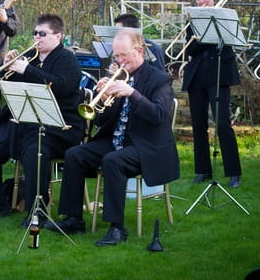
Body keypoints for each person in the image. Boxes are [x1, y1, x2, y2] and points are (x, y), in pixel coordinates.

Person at [46, 29, 179, 246]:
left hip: (145, 145)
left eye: (123, 55)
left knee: (112, 161)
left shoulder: (160, 79)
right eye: (116, 56)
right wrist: (104, 99)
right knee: (74, 154)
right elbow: (100, 122)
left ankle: (116, 228)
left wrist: (132, 94)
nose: (118, 61)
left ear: (140, 50)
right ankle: (73, 219)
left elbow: (160, 115)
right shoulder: (118, 77)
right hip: (116, 139)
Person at [0, 14, 84, 222]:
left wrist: (27, 69)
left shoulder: (67, 59)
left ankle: (37, 211)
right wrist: (10, 69)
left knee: (35, 150)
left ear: (58, 37)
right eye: (35, 33)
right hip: (27, 121)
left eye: (42, 34)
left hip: (59, 126)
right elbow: (18, 89)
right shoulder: (32, 57)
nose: (37, 37)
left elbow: (62, 86)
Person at [181, 0, 242, 188]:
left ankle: (234, 172)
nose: (201, 0)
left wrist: (213, 30)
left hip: (219, 75)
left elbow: (231, 44)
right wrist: (200, 34)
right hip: (197, 76)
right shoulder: (193, 19)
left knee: (222, 123)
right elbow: (190, 51)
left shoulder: (225, 17)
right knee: (198, 124)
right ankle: (203, 170)